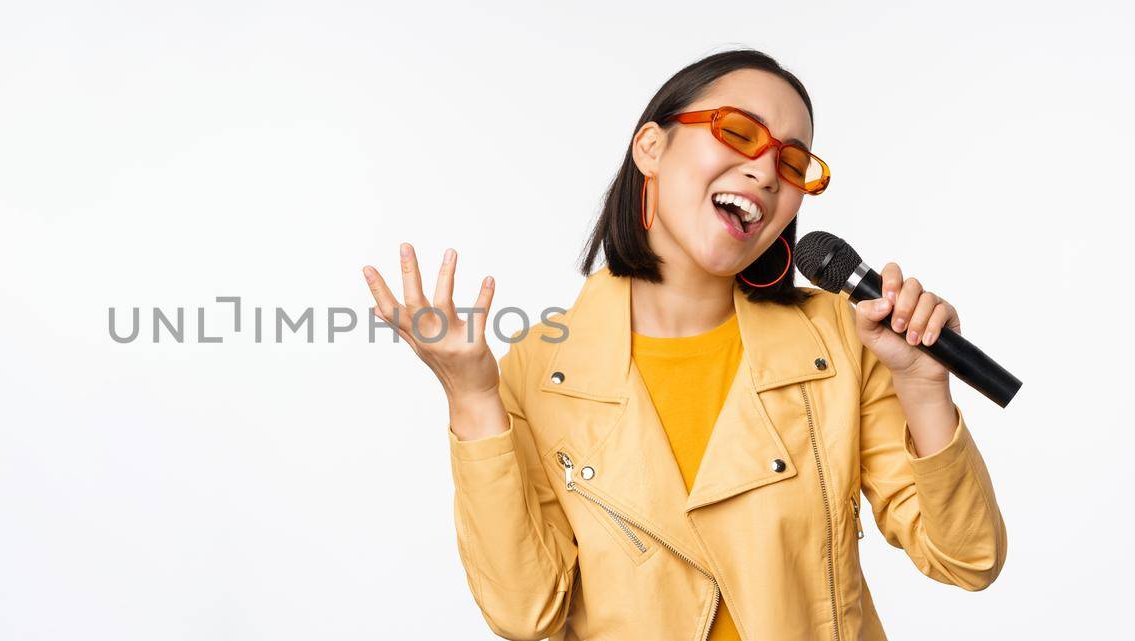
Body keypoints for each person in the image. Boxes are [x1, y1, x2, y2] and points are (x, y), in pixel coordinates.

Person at [360, 49, 1005, 641]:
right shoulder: (538, 370)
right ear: (650, 147)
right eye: (739, 132)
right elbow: (526, 612)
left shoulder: (840, 340)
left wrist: (922, 384)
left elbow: (967, 559)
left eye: (792, 162)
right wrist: (470, 395)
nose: (764, 171)